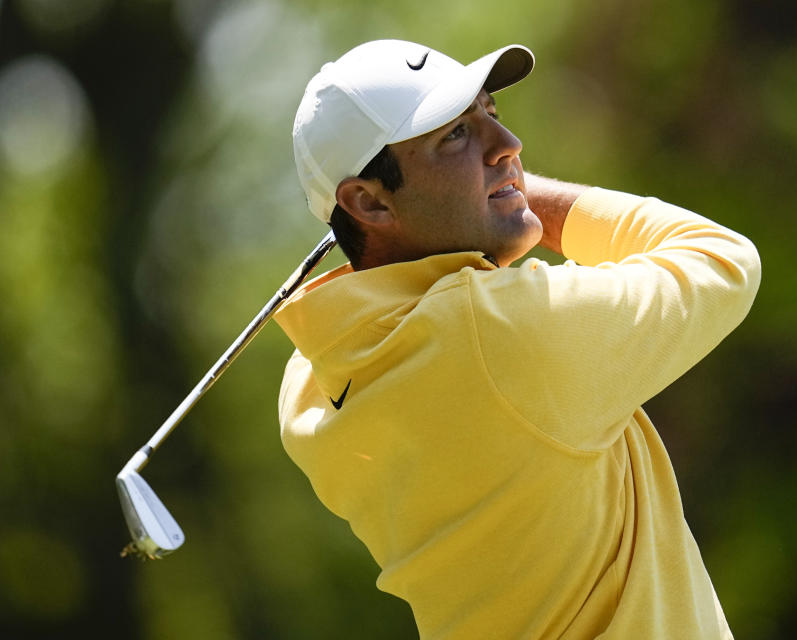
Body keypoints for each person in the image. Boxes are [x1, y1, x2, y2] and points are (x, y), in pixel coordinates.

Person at [276, 39, 760, 639]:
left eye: (491, 115)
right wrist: (518, 194)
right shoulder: (498, 334)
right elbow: (723, 262)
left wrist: (479, 194)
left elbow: (352, 306)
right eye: (453, 135)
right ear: (368, 200)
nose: (508, 148)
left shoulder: (309, 391)